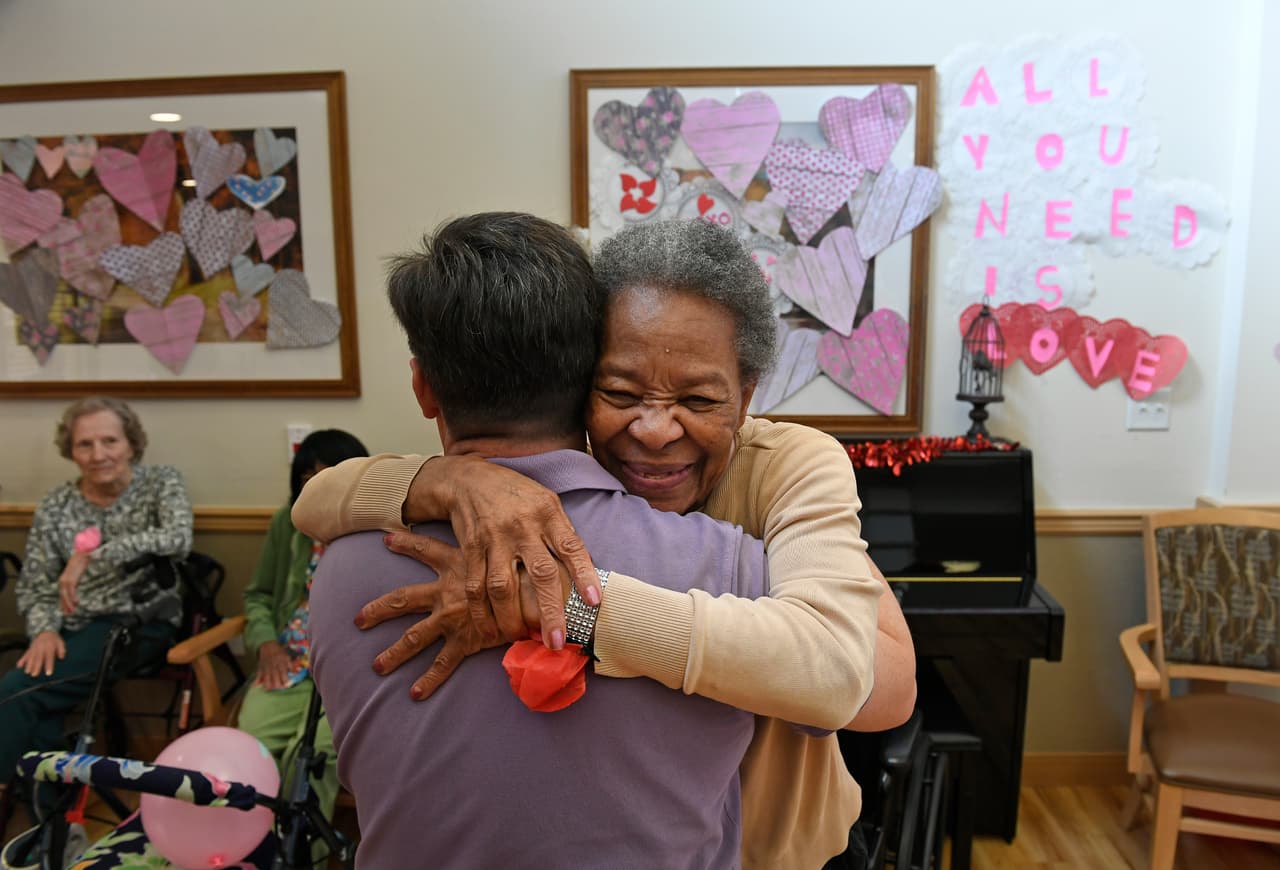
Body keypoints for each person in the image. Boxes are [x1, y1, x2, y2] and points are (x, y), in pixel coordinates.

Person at [295, 218, 915, 869]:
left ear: (746, 396)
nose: (652, 429)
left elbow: (868, 680)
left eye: (699, 399)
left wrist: (573, 605)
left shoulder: (785, 470)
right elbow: (314, 503)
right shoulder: (536, 485)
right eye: (620, 391)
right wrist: (446, 479)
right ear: (581, 378)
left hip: (790, 853)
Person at [0, 397, 192, 794]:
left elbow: (178, 538)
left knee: (19, 693)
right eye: (84, 444)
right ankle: (52, 826)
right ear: (70, 451)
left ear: (131, 443)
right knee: (39, 706)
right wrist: (44, 631)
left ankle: (35, 812)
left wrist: (90, 556)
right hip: (69, 629)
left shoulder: (160, 482)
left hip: (138, 623)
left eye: (110, 441)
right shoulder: (57, 505)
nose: (99, 454)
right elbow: (36, 584)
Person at [237, 428, 368, 833]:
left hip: (351, 674)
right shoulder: (287, 524)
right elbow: (257, 595)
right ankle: (250, 850)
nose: (315, 482)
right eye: (306, 474)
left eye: (328, 471)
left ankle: (298, 856)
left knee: (310, 759)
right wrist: (266, 645)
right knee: (250, 750)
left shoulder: (380, 527)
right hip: (288, 662)